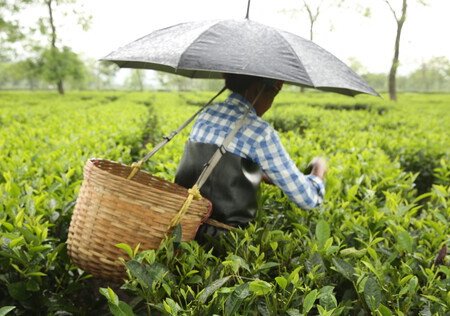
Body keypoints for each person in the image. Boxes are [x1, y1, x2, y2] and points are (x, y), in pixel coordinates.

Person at [175, 74, 327, 244]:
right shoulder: (259, 132)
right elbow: (307, 199)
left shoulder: (205, 114)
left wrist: (257, 174)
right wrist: (318, 169)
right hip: (226, 242)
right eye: (273, 94)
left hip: (181, 227)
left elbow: (212, 168)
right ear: (256, 90)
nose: (270, 103)